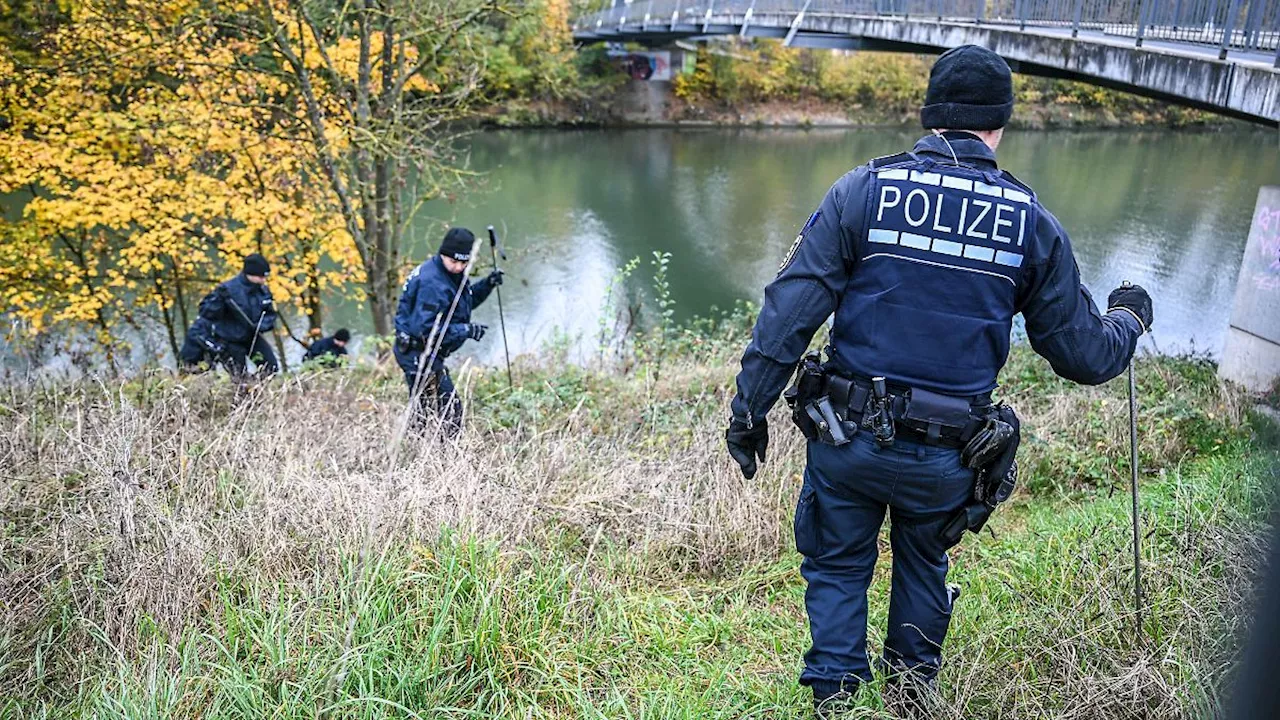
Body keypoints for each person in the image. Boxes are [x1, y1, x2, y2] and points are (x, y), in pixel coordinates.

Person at [723, 45, 1154, 715]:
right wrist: (1128, 318)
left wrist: (747, 413)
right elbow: (1085, 355)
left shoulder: (863, 190)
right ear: (999, 123)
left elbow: (787, 315)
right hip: (950, 455)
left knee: (837, 566)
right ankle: (911, 699)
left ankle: (836, 702)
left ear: (930, 115)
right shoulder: (1029, 222)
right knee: (923, 563)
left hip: (847, 442)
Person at [394, 227, 504, 433]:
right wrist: (464, 330)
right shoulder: (432, 284)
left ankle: (417, 449)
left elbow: (461, 305)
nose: (458, 267)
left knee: (425, 407)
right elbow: (424, 330)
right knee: (450, 409)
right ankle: (445, 458)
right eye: (454, 261)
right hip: (416, 351)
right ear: (443, 254)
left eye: (463, 262)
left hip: (427, 351)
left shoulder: (449, 274)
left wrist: (487, 285)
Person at [179, 253, 279, 376]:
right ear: (250, 274)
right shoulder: (228, 290)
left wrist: (261, 326)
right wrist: (219, 301)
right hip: (230, 341)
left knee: (271, 368)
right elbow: (206, 313)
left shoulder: (263, 291)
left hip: (253, 336)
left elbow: (270, 315)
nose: (264, 280)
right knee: (239, 376)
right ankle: (245, 392)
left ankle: (261, 391)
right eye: (261, 277)